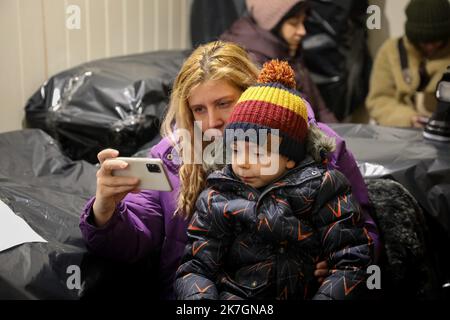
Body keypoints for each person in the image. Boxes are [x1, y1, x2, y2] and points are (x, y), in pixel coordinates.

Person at [79, 41, 379, 299]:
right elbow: (134, 244)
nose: (212, 122)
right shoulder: (172, 160)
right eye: (199, 109)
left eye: (224, 103)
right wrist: (105, 211)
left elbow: (363, 234)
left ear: (251, 94)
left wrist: (335, 268)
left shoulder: (321, 150)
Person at [175, 60, 373, 300]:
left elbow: (351, 262)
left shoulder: (324, 187)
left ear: (289, 156)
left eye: (258, 153)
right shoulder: (217, 196)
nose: (243, 163)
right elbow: (195, 268)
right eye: (236, 150)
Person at [220, 0, 338, 123]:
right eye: (294, 23)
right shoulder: (253, 61)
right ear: (272, 23)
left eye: (303, 22)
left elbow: (321, 109)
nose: (302, 31)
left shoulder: (288, 49)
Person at [366, 0, 450, 128]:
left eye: (436, 40)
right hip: (400, 131)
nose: (430, 46)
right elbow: (379, 100)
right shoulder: (391, 51)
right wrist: (409, 118)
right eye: (423, 41)